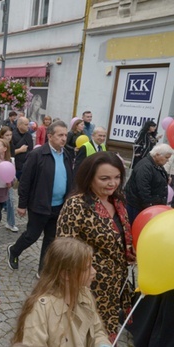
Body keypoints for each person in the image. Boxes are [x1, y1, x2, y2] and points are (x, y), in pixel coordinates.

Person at [57, 151, 135, 342]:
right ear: (89, 177)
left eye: (117, 177)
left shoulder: (117, 200)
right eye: (105, 178)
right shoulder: (77, 205)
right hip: (87, 286)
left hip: (114, 285)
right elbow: (64, 250)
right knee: (82, 335)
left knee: (104, 333)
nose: (112, 183)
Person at [12, 238, 111, 347]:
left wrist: (102, 343)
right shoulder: (41, 310)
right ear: (66, 275)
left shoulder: (85, 294)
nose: (94, 271)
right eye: (87, 268)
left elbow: (97, 330)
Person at [8, 121, 73, 276]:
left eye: (65, 135)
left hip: (59, 206)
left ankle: (42, 269)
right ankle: (14, 250)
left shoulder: (67, 154)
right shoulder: (37, 155)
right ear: (50, 136)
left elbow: (70, 178)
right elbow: (25, 181)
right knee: (32, 235)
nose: (64, 138)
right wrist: (22, 204)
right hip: (39, 204)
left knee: (50, 239)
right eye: (60, 135)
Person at [125, 143, 172, 224]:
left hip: (149, 207)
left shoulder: (157, 164)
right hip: (139, 207)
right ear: (157, 155)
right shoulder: (145, 166)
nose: (167, 160)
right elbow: (143, 189)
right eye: (166, 158)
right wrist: (149, 208)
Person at [0, 126, 19, 232]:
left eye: (10, 135)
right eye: (7, 135)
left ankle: (10, 222)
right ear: (1, 135)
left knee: (10, 200)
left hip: (8, 177)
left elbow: (11, 159)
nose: (9, 137)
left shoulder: (11, 146)